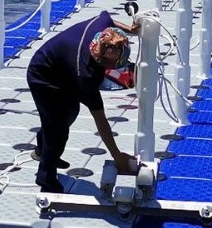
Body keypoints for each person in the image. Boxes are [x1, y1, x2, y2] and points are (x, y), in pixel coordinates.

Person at [26, 10, 141, 192]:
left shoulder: (101, 26)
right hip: (44, 76)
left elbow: (109, 18)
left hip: (64, 69)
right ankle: (46, 179)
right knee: (57, 129)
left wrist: (130, 29)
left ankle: (42, 150)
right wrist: (117, 156)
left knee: (71, 111)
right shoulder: (86, 75)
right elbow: (101, 121)